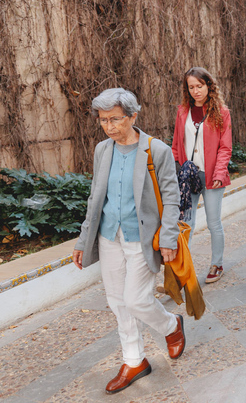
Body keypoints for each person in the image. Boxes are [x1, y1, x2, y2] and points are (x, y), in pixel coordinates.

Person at [72, 88, 186, 394]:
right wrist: (84, 239)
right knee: (118, 302)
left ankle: (171, 326)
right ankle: (134, 360)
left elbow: (173, 198)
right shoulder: (102, 150)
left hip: (142, 239)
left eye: (115, 119)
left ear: (133, 116)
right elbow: (95, 197)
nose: (109, 126)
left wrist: (169, 236)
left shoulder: (156, 150)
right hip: (109, 236)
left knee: (136, 300)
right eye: (103, 120)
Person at [171, 67, 232, 284]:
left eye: (200, 86)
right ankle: (180, 270)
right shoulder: (182, 112)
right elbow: (176, 145)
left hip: (212, 176)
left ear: (208, 85)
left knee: (213, 222)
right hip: (189, 175)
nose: (196, 91)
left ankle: (217, 264)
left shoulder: (221, 112)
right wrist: (175, 172)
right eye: (191, 87)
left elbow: (225, 148)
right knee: (185, 222)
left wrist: (218, 173)